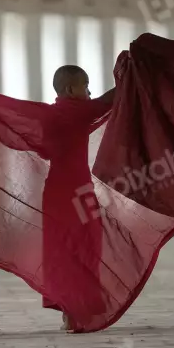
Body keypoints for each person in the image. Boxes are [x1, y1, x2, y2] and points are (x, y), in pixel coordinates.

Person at [40, 65, 115, 331]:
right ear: (71, 89)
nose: (90, 92)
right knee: (87, 247)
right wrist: (132, 69)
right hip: (80, 191)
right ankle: (79, 308)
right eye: (86, 86)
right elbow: (110, 99)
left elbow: (43, 149)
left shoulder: (48, 116)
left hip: (54, 193)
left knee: (62, 251)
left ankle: (69, 311)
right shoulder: (79, 112)